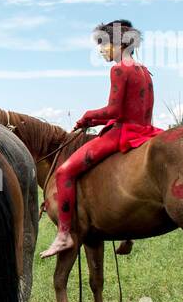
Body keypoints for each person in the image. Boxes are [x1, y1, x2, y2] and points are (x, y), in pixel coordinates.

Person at [39, 19, 162, 258]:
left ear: (118, 44)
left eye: (104, 44)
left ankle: (64, 235)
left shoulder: (119, 69)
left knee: (64, 172)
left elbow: (114, 111)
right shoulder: (144, 70)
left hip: (124, 132)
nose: (101, 50)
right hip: (147, 131)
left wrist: (88, 117)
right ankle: (127, 233)